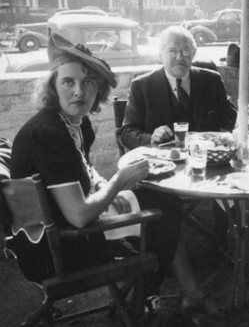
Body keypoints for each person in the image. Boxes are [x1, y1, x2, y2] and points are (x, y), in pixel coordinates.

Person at [7, 33, 182, 314]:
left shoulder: (75, 124)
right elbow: (78, 215)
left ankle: (148, 289)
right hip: (58, 252)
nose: (80, 91)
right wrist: (120, 179)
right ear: (52, 86)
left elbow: (85, 176)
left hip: (66, 232)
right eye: (68, 81)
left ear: (98, 90)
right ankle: (147, 294)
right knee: (167, 209)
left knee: (156, 196)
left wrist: (111, 183)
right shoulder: (48, 134)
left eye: (89, 82)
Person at [119, 25, 237, 316]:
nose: (179, 57)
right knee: (166, 205)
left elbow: (231, 118)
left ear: (194, 54)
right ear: (161, 54)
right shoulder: (143, 85)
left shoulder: (210, 80)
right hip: (167, 170)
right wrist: (151, 138)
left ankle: (227, 245)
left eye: (186, 51)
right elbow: (127, 132)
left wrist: (239, 121)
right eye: (172, 51)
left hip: (209, 164)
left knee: (236, 187)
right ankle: (185, 272)